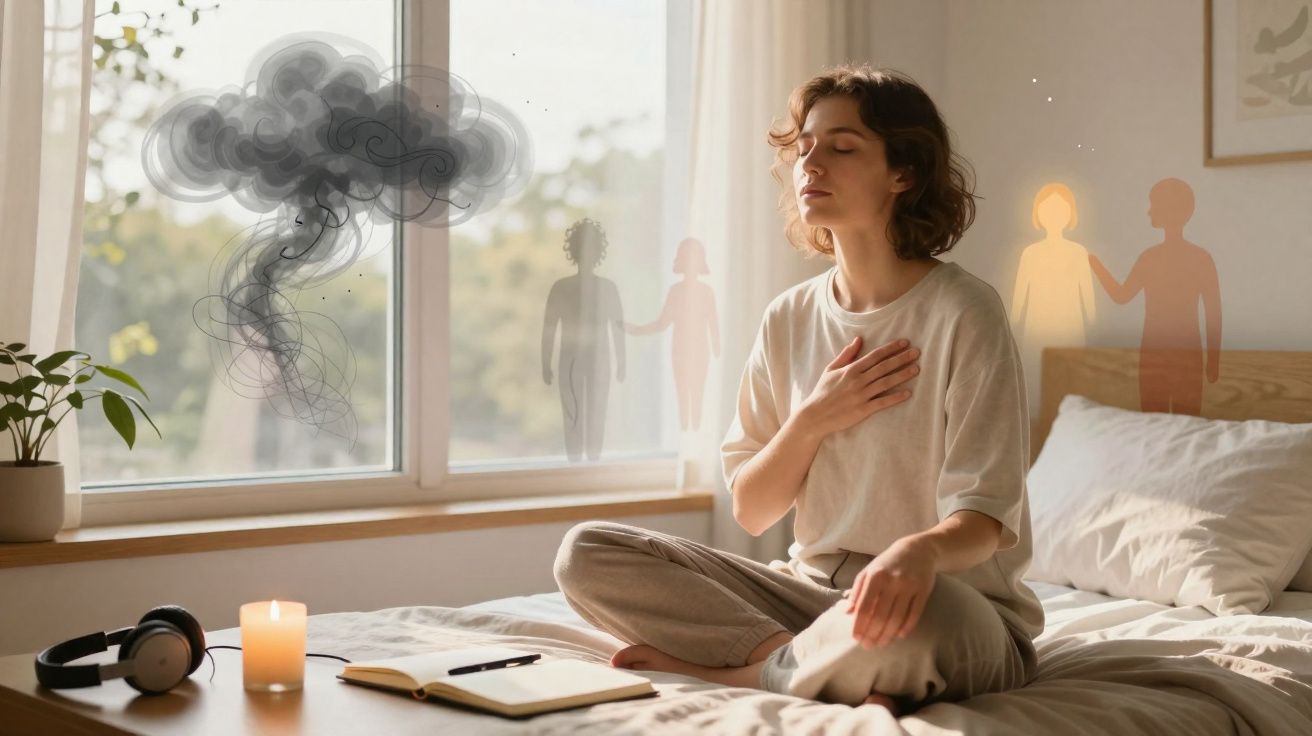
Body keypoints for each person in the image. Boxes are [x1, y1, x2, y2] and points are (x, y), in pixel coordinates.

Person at [553, 64, 1042, 716]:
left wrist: (914, 553)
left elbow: (982, 523)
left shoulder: (964, 312)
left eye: (842, 147)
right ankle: (796, 660)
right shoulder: (788, 317)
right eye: (805, 147)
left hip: (949, 602)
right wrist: (813, 418)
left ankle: (758, 671)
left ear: (904, 173)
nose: (811, 164)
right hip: (810, 599)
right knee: (586, 553)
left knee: (929, 615)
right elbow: (753, 509)